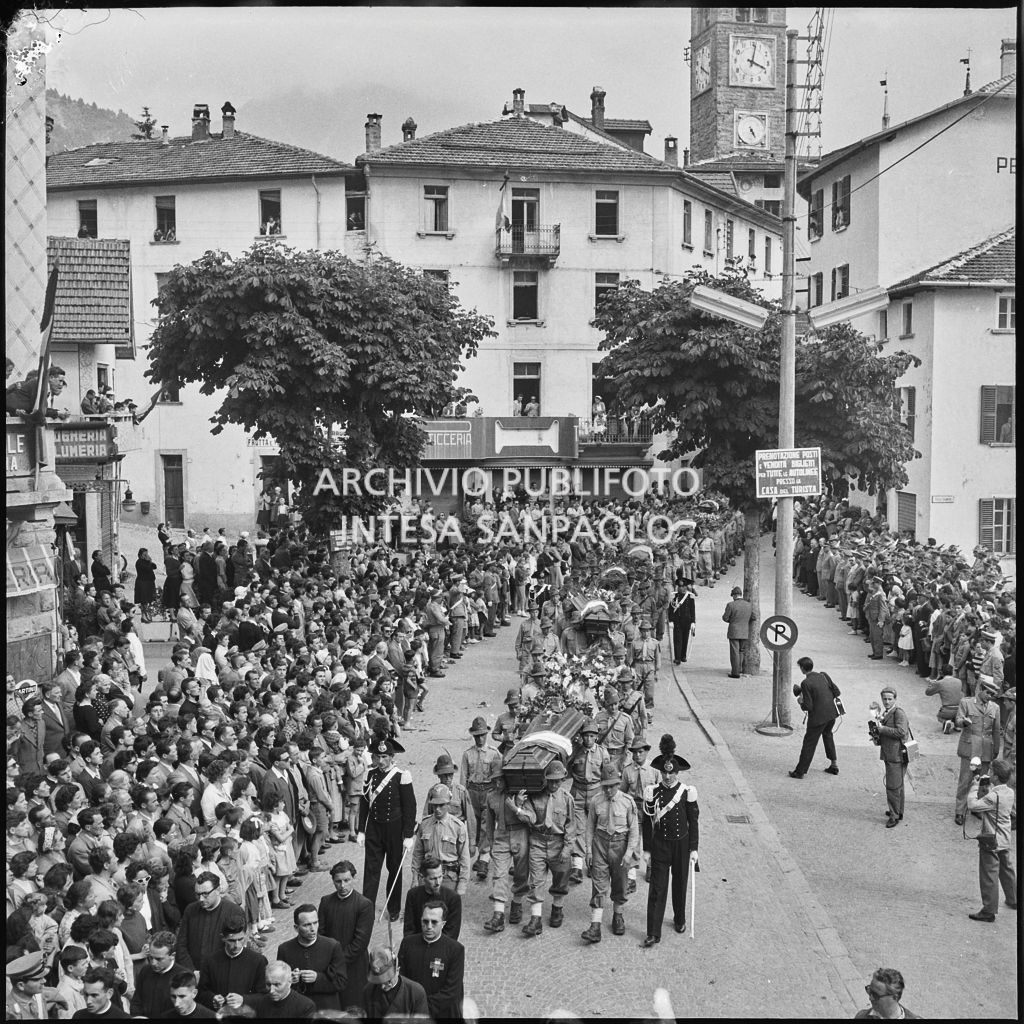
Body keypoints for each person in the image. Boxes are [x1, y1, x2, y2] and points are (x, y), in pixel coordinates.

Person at [641, 735, 699, 947]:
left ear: (677, 772)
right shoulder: (652, 792)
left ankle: (679, 918)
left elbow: (694, 822)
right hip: (661, 845)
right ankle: (653, 931)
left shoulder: (687, 792)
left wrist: (694, 848)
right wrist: (646, 849)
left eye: (671, 772)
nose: (667, 776)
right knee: (657, 888)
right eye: (664, 772)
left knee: (680, 884)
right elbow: (647, 823)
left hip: (682, 845)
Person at [510, 759, 575, 936]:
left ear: (563, 780)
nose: (554, 784)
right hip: (538, 842)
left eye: (558, 780)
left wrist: (567, 848)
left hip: (558, 844)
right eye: (551, 780)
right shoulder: (535, 796)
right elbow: (529, 817)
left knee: (561, 878)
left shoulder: (567, 799)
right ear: (545, 779)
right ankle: (535, 919)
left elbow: (571, 826)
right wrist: (519, 806)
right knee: (536, 880)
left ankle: (557, 908)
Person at [357, 737, 417, 922]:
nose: (381, 760)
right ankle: (367, 907)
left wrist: (408, 834)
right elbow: (365, 804)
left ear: (392, 757)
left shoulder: (402, 775)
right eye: (377, 756)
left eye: (384, 756)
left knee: (394, 869)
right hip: (375, 828)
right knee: (371, 869)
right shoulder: (370, 775)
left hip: (394, 828)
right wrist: (361, 830)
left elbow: (410, 807)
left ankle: (393, 908)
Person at [581, 761, 640, 945]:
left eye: (612, 786)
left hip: (620, 845)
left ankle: (618, 916)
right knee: (598, 882)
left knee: (620, 883)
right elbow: (589, 826)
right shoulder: (596, 801)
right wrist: (589, 850)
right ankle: (595, 926)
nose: (608, 790)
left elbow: (634, 830)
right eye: (605, 786)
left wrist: (629, 852)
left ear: (618, 784)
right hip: (600, 843)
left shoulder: (627, 802)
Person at [316, 860, 373, 1011]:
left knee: (353, 1008)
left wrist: (337, 961)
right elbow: (320, 934)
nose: (343, 886)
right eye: (338, 881)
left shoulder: (364, 904)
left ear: (353, 878)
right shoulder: (326, 902)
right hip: (331, 968)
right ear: (333, 881)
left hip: (354, 968)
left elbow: (360, 943)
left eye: (347, 880)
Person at [965, 758, 1017, 922]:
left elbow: (973, 805)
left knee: (989, 875)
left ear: (995, 775)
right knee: (1007, 869)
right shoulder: (1009, 792)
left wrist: (974, 787)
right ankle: (1014, 899)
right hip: (1005, 838)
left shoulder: (993, 796)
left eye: (991, 771)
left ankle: (989, 910)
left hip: (991, 840)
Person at [480, 762, 530, 932]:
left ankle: (517, 902)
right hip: (501, 836)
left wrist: (518, 806)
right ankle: (498, 915)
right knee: (499, 874)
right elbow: (488, 822)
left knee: (521, 873)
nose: (497, 783)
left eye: (500, 779)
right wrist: (491, 841)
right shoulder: (491, 796)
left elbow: (529, 818)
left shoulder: (518, 794)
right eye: (494, 780)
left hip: (519, 835)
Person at [397, 900, 465, 1022]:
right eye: (425, 921)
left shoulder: (455, 950)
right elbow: (401, 978)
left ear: (443, 923)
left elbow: (451, 990)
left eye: (434, 922)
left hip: (442, 1013)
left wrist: (422, 1008)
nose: (429, 926)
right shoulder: (408, 943)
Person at [275, 904, 346, 1011]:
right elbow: (277, 986)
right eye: (307, 925)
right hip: (298, 1011)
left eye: (315, 923)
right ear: (296, 928)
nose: (313, 929)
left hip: (327, 1011)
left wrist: (317, 978)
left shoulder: (332, 946)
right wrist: (290, 981)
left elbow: (341, 982)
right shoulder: (285, 949)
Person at [953, 678, 1002, 825]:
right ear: (980, 689)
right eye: (987, 693)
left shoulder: (995, 708)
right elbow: (958, 720)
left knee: (983, 781)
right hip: (970, 747)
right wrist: (963, 722)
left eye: (992, 695)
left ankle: (976, 807)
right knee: (965, 781)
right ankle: (960, 811)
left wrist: (996, 749)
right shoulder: (966, 702)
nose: (989, 696)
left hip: (986, 748)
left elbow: (996, 730)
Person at [174, 871, 243, 972]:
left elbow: (236, 949)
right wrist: (192, 972)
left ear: (218, 890)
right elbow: (181, 945)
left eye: (205, 894)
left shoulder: (234, 912)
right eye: (198, 894)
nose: (201, 899)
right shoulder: (190, 910)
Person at [197, 917, 268, 1013]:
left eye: (240, 939)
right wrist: (212, 999)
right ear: (223, 938)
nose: (237, 945)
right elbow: (201, 993)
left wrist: (244, 1000)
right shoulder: (210, 961)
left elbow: (264, 996)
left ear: (246, 935)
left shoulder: (258, 961)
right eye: (232, 940)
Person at [411, 783, 471, 895]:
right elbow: (418, 854)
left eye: (441, 805)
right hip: (428, 875)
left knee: (447, 910)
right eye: (435, 806)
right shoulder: (424, 824)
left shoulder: (457, 826)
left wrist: (462, 885)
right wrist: (415, 878)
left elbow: (464, 858)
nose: (437, 809)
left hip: (449, 877)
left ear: (448, 804)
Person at [788, 656, 842, 778]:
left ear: (802, 668)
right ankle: (834, 765)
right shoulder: (823, 675)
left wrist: (801, 702)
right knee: (828, 736)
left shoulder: (806, 683)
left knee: (809, 743)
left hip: (818, 719)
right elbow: (837, 692)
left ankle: (800, 771)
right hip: (831, 714)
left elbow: (809, 706)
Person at [868, 687, 910, 828]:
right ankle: (898, 811)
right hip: (890, 753)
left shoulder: (899, 713)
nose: (886, 701)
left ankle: (894, 816)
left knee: (892, 787)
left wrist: (882, 729)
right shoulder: (887, 712)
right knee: (898, 785)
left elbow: (901, 731)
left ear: (895, 699)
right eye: (884, 699)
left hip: (896, 755)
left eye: (889, 699)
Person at [362, 945, 430, 1020]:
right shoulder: (368, 991)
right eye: (379, 981)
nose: (383, 986)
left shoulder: (415, 993)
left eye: (387, 981)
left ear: (397, 970)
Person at [404, 855, 462, 940]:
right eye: (433, 879)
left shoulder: (453, 898)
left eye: (440, 877)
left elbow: (452, 933)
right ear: (422, 878)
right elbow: (409, 928)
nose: (438, 882)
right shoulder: (413, 895)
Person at [129, 931, 186, 1018]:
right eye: (151, 957)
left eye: (159, 959)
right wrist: (137, 1016)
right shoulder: (145, 971)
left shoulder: (183, 977)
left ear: (172, 956)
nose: (153, 963)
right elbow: (137, 1001)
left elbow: (183, 1011)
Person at [7, 950, 67, 1020]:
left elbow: (59, 999)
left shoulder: (39, 995)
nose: (44, 981)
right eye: (37, 979)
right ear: (21, 985)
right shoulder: (9, 1012)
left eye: (43, 977)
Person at [246, 961, 316, 1019]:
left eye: (277, 985)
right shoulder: (260, 1003)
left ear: (289, 982)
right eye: (268, 984)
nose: (271, 991)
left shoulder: (306, 1006)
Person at [855, 967, 921, 1018]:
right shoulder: (861, 1016)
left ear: (895, 997)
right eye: (870, 991)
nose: (870, 998)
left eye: (876, 995)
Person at [721, 586, 754, 678]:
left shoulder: (730, 605)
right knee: (741, 651)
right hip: (744, 632)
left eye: (732, 596)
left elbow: (725, 618)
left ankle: (735, 673)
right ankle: (739, 669)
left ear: (735, 595)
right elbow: (754, 617)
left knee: (734, 652)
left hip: (734, 631)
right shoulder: (749, 605)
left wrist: (733, 620)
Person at [669, 580, 696, 664]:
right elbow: (670, 609)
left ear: (685, 587)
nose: (680, 588)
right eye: (679, 586)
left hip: (687, 621)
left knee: (685, 639)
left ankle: (683, 656)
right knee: (677, 639)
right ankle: (677, 657)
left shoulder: (690, 597)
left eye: (682, 586)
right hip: (677, 621)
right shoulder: (674, 596)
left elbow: (692, 610)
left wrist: (693, 622)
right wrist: (671, 620)